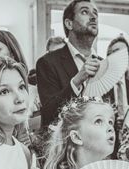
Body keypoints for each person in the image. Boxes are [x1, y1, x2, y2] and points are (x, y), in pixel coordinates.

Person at [36, 0, 114, 129]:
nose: (93, 17)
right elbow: (49, 114)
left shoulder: (104, 65)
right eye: (85, 12)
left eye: (95, 13)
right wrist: (76, 81)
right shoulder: (47, 63)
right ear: (69, 23)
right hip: (64, 145)